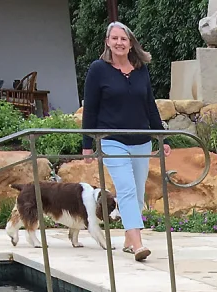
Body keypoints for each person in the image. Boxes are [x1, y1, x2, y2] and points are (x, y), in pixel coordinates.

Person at [81, 22, 170, 262]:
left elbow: (150, 105)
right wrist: (87, 143)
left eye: (124, 39)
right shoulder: (98, 70)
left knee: (138, 194)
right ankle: (139, 244)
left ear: (131, 44)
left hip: (141, 140)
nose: (119, 42)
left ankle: (129, 241)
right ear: (107, 42)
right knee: (127, 190)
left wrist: (161, 137)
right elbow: (90, 108)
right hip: (111, 140)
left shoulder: (141, 70)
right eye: (115, 38)